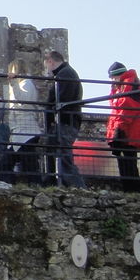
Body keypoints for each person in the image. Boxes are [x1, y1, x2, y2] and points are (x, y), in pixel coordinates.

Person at [105, 61, 140, 192]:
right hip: (127, 129)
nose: (112, 80)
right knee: (127, 160)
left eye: (113, 77)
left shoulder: (129, 85)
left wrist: (118, 130)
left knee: (128, 161)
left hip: (128, 130)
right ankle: (131, 190)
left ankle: (133, 190)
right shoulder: (124, 85)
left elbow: (127, 108)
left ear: (119, 75)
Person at [0, 58, 44, 184]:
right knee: (9, 164)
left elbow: (23, 99)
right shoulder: (23, 84)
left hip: (26, 132)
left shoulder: (27, 83)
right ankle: (11, 187)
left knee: (27, 165)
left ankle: (33, 187)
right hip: (20, 132)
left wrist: (13, 83)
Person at [43, 50, 85, 187]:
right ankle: (53, 182)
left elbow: (59, 99)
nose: (47, 69)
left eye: (46, 65)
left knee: (63, 156)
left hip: (66, 121)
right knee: (55, 151)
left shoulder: (64, 74)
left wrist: (50, 117)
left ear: (50, 61)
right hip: (68, 121)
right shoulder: (67, 73)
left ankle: (78, 188)